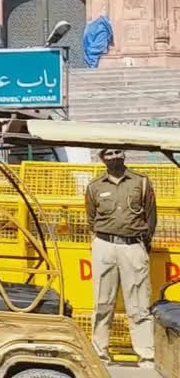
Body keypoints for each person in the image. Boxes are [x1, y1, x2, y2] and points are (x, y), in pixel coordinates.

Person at [86, 148, 156, 369]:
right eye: (109, 154)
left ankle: (146, 357)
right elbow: (90, 217)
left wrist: (142, 242)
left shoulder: (141, 182)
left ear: (124, 155)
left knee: (139, 305)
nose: (114, 157)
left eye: (118, 152)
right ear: (102, 158)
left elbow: (151, 215)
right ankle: (100, 355)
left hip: (133, 246)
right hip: (104, 246)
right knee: (102, 302)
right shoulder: (94, 186)